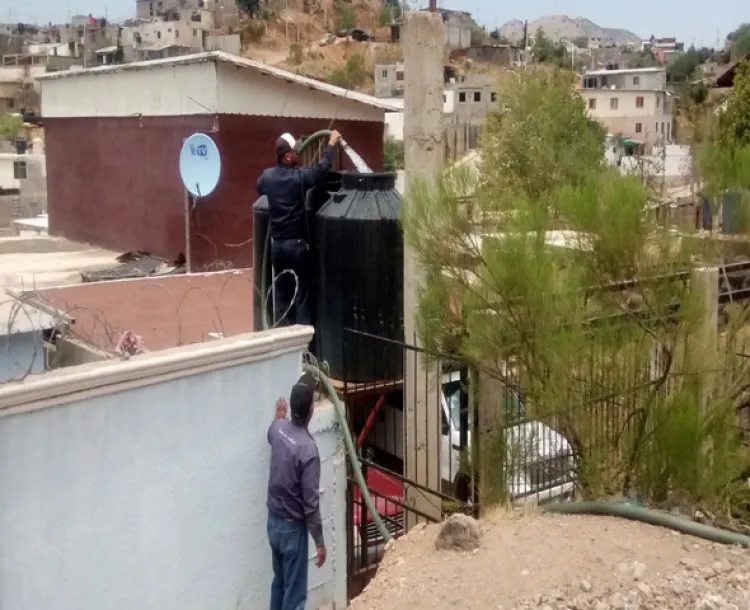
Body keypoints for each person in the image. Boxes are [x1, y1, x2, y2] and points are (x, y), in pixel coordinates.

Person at [257, 130, 342, 327]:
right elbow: (322, 171)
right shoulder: (298, 178)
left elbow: (259, 186)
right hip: (296, 247)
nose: (299, 153)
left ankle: (282, 340)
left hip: (277, 247)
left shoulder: (267, 177)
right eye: (296, 151)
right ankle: (303, 347)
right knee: (302, 294)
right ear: (288, 156)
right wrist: (331, 144)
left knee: (282, 295)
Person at [266, 374, 326, 610]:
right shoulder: (308, 450)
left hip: (273, 524)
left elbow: (273, 433)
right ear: (312, 410)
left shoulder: (278, 429)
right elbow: (311, 504)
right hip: (292, 530)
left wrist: (279, 417)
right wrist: (319, 541)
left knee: (279, 585)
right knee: (295, 598)